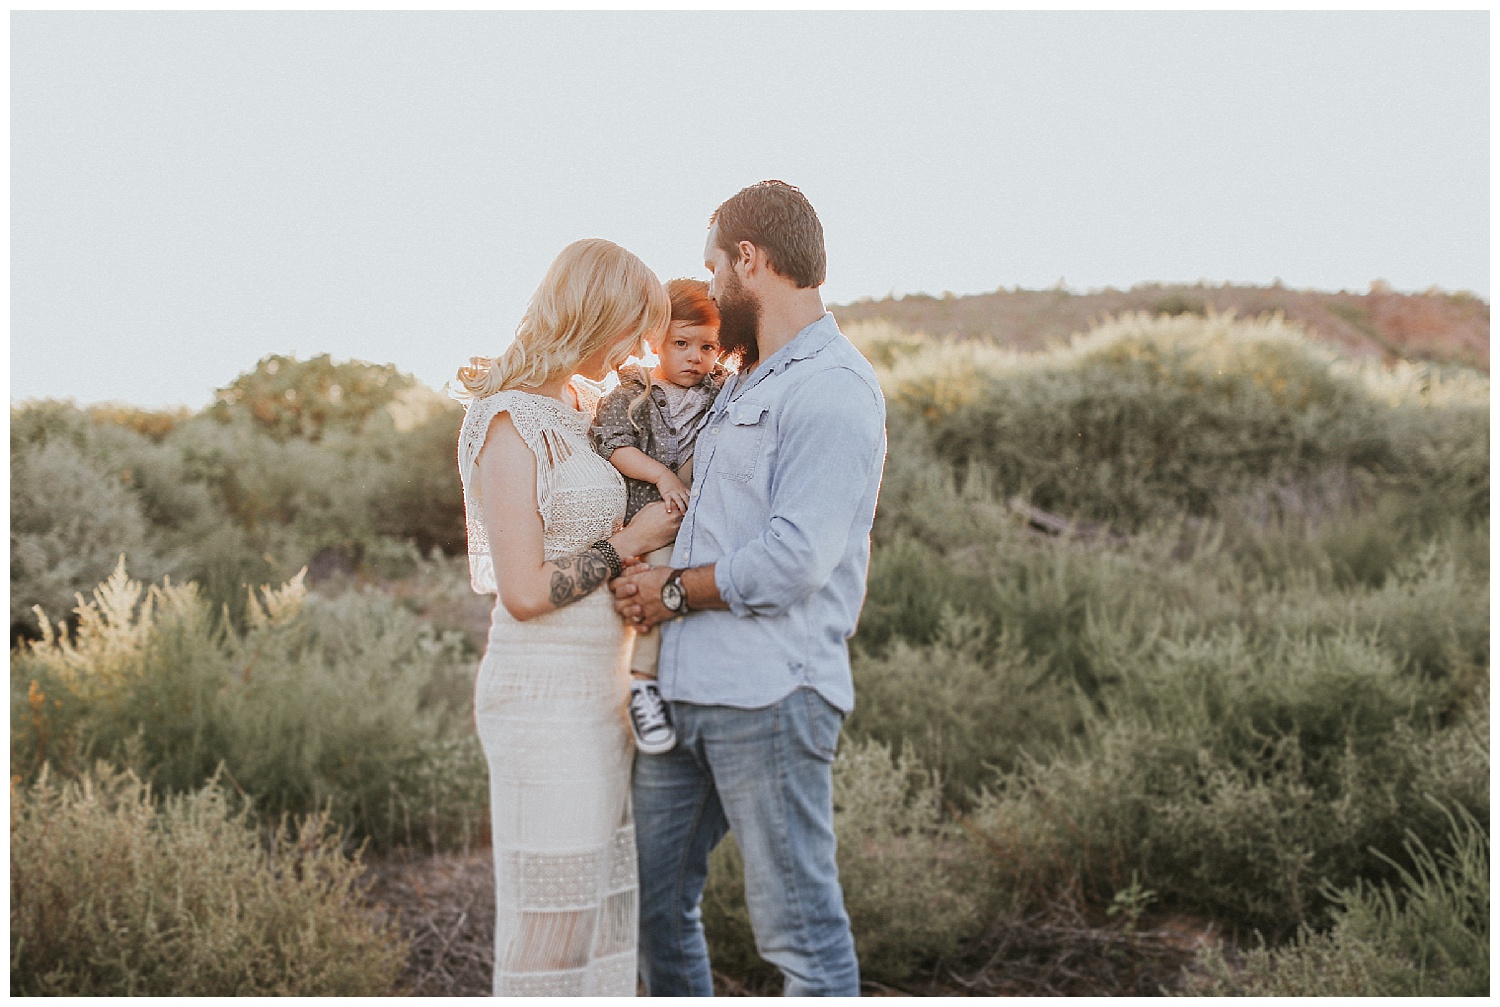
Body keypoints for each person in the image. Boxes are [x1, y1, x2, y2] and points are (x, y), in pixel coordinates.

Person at [611, 181, 888, 996]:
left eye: (712, 265)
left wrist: (668, 592)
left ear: (748, 259)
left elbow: (794, 559)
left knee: (800, 938)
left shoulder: (831, 386)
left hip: (769, 696)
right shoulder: (740, 381)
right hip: (683, 695)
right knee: (653, 911)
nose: (704, 286)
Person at [453, 238, 683, 997]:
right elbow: (521, 589)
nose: (634, 350)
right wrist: (630, 544)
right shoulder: (507, 420)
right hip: (542, 692)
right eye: (632, 327)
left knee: (593, 920)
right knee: (551, 930)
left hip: (603, 689)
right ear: (594, 313)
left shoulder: (587, 408)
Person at [590, 278, 724, 754]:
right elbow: (615, 447)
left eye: (707, 346)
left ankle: (684, 680)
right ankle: (644, 683)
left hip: (694, 514)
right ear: (655, 342)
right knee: (655, 580)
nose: (695, 357)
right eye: (681, 343)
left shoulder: (720, 393)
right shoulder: (634, 391)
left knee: (691, 584)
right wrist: (665, 479)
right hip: (649, 513)